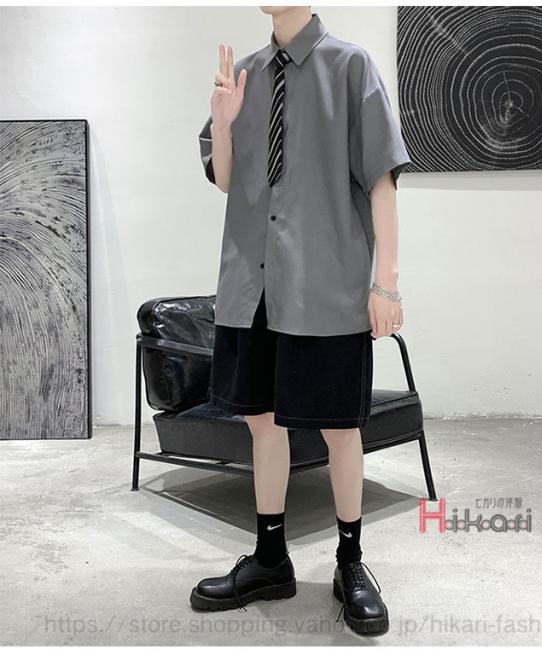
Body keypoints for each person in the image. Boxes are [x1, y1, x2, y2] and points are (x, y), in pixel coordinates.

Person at [191, 6, 411, 637]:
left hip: (325, 282)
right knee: (262, 422)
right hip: (253, 282)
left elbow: (382, 180)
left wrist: (386, 282)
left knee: (340, 426)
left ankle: (351, 562)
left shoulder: (351, 67)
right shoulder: (246, 74)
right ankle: (270, 559)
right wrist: (224, 123)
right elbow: (227, 180)